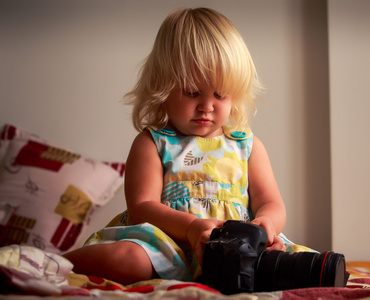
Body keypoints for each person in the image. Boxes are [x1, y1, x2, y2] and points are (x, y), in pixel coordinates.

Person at [63, 7, 313, 285]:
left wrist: (267, 225)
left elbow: (271, 202)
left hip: (239, 247)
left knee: (302, 265)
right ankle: (58, 261)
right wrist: (192, 227)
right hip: (168, 245)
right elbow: (142, 207)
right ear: (164, 85)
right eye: (193, 92)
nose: (207, 106)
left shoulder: (248, 146)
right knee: (128, 261)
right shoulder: (153, 142)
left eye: (220, 94)